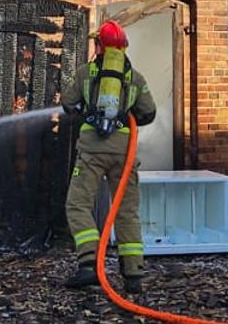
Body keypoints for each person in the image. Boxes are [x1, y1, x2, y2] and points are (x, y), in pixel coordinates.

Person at [59, 19, 157, 293]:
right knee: (126, 211)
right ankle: (133, 275)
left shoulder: (85, 72)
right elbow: (149, 113)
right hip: (123, 153)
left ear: (98, 46)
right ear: (123, 47)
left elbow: (68, 104)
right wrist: (125, 116)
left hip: (91, 150)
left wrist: (86, 110)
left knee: (78, 205)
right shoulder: (135, 77)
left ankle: (89, 265)